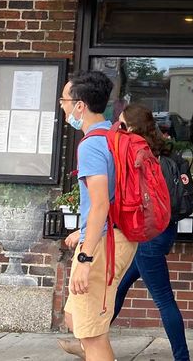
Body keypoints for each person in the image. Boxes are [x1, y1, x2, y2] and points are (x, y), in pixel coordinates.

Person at [57, 71, 138, 361]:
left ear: (80, 105)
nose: (62, 106)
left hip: (105, 244)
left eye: (65, 100)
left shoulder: (91, 144)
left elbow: (101, 204)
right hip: (115, 235)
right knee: (75, 318)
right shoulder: (114, 136)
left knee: (92, 335)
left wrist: (84, 258)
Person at [108, 104, 190, 361]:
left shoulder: (136, 154)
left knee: (164, 299)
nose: (117, 129)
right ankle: (90, 342)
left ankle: (182, 357)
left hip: (146, 234)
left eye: (121, 124)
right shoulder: (166, 152)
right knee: (119, 287)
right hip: (165, 230)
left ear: (131, 127)